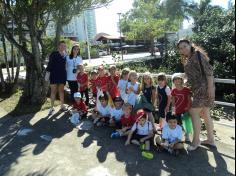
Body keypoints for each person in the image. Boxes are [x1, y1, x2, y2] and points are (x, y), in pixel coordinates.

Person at [177, 39, 215, 151]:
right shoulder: (190, 57)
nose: (183, 49)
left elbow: (209, 72)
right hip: (198, 88)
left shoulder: (197, 54)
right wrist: (184, 78)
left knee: (193, 112)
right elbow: (194, 73)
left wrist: (211, 88)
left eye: (185, 46)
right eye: (181, 48)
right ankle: (211, 140)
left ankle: (196, 141)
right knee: (205, 113)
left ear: (190, 44)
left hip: (203, 88)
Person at [46, 41, 67, 115]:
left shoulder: (65, 55)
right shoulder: (54, 54)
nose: (63, 47)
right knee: (53, 91)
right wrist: (47, 74)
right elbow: (49, 64)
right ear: (58, 46)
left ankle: (62, 105)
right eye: (61, 45)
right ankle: (51, 108)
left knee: (61, 91)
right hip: (54, 75)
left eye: (64, 46)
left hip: (62, 75)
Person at [171, 73, 192, 142]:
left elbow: (189, 100)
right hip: (177, 110)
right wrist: (173, 110)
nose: (177, 81)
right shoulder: (173, 91)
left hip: (185, 110)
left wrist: (188, 108)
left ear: (181, 80)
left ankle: (187, 136)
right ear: (173, 81)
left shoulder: (186, 90)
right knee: (178, 124)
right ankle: (178, 136)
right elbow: (173, 102)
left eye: (178, 79)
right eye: (175, 80)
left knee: (187, 123)